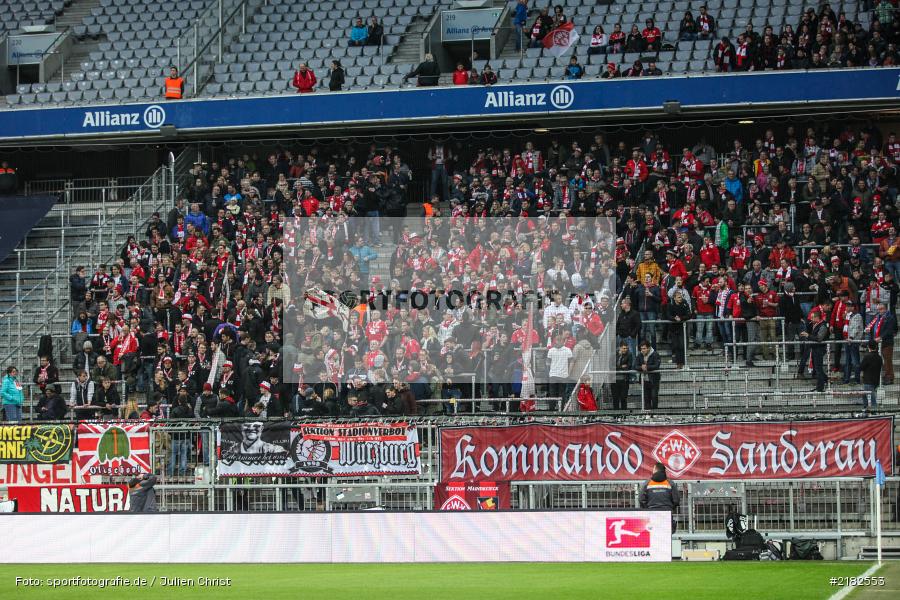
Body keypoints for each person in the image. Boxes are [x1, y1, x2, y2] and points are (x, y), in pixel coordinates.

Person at [639, 462, 680, 532]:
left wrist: (647, 509)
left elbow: (641, 499)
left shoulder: (647, 483)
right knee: (666, 537)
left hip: (651, 514)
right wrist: (670, 508)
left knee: (653, 536)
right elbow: (676, 500)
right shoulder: (670, 483)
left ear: (655, 469)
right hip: (667, 514)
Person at [635, 340, 660, 410]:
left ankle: (655, 412)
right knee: (646, 398)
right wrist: (641, 367)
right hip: (644, 381)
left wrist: (647, 367)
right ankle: (647, 413)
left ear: (648, 348)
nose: (642, 350)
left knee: (654, 396)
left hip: (654, 380)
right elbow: (635, 366)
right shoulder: (639, 355)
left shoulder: (655, 354)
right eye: (641, 349)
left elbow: (657, 365)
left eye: (644, 348)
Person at [860, 341, 883, 409]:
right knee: (864, 395)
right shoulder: (879, 357)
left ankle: (875, 413)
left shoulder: (867, 357)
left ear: (869, 347)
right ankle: (865, 409)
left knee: (872, 401)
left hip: (868, 381)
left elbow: (861, 367)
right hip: (875, 381)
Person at [612, 342, 632, 411]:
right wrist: (621, 366)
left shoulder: (629, 355)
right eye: (624, 348)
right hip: (614, 379)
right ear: (620, 348)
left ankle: (624, 414)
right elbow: (611, 366)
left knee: (623, 398)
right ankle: (615, 414)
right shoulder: (613, 355)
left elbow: (628, 366)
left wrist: (617, 367)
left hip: (624, 380)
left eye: (626, 348)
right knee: (615, 398)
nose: (625, 350)